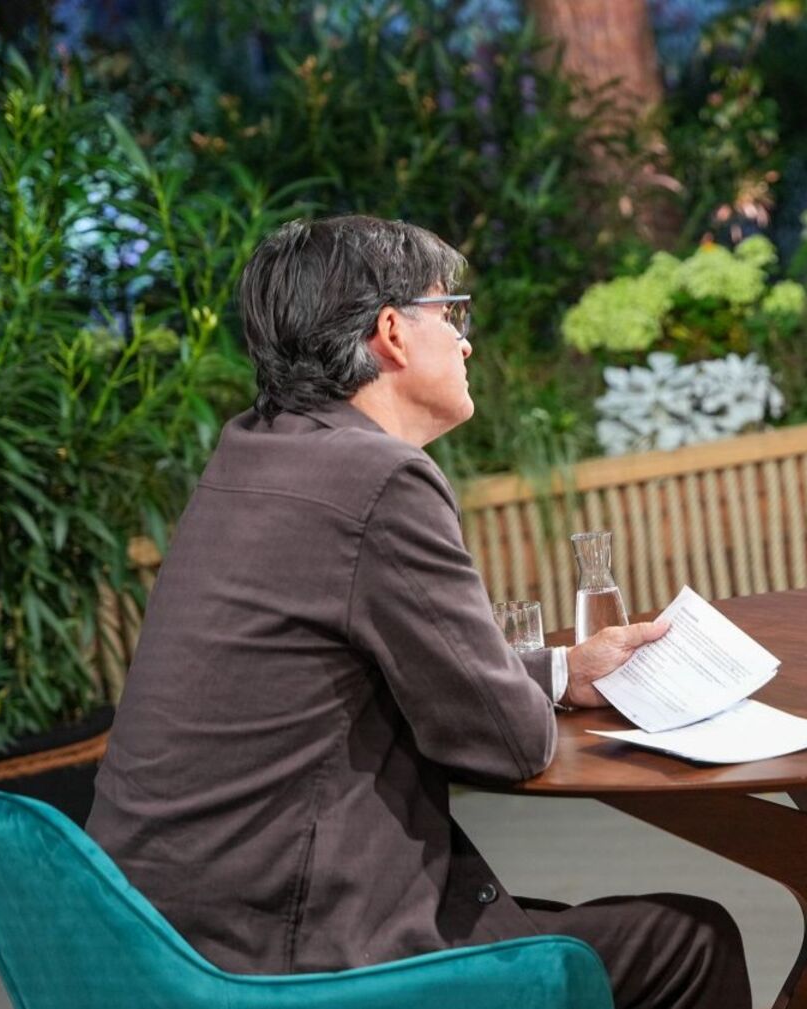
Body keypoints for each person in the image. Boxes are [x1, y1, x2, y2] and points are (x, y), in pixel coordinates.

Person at [88, 215, 751, 1009]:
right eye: (452, 312)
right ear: (393, 333)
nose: (465, 341)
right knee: (690, 942)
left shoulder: (251, 455)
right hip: (290, 962)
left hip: (163, 944)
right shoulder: (378, 479)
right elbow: (506, 740)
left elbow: (402, 675)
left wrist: (565, 669)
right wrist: (537, 695)